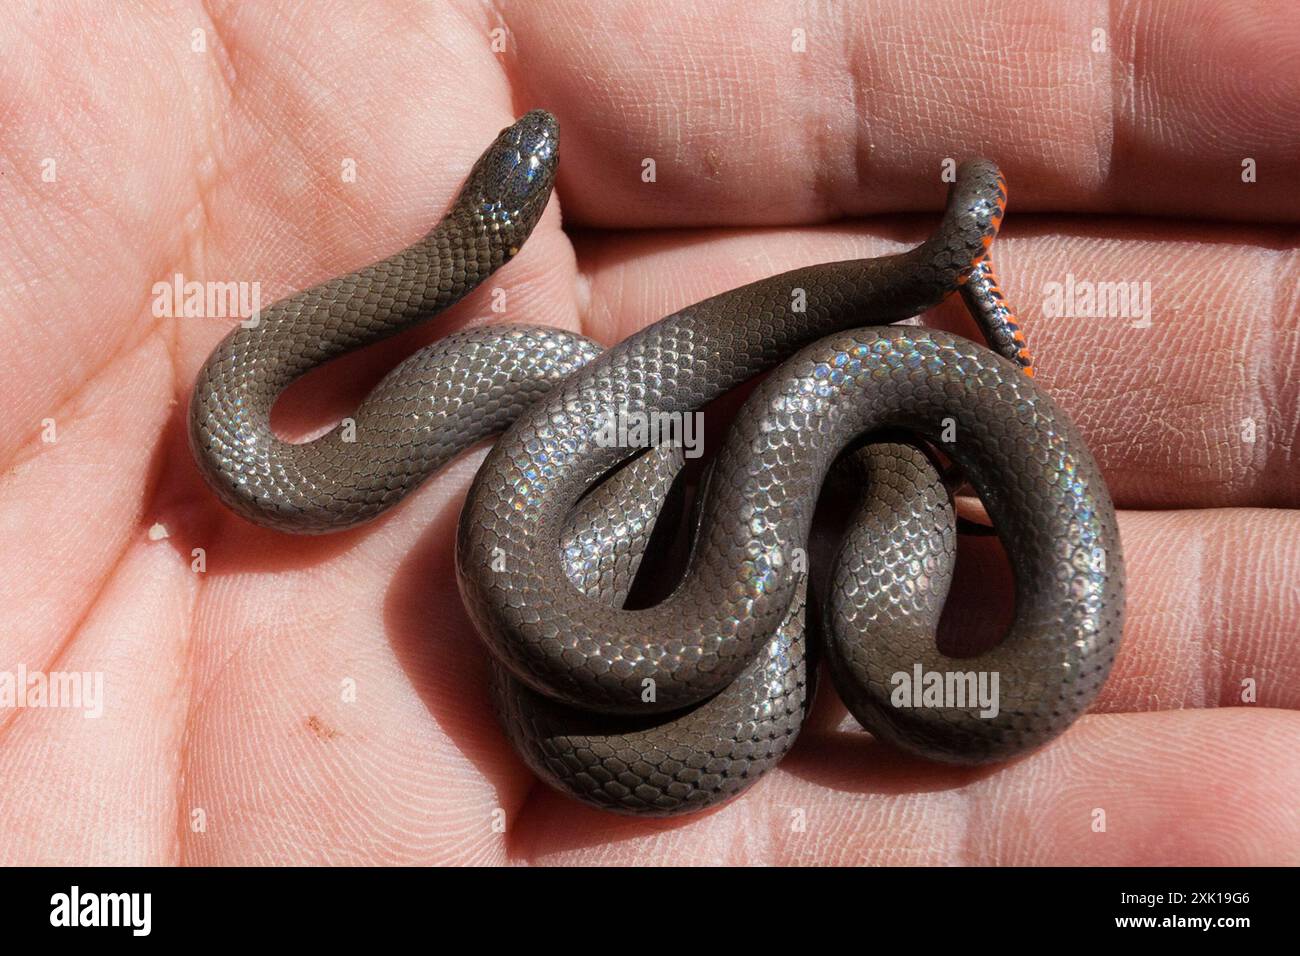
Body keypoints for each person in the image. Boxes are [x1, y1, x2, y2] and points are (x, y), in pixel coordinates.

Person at [0, 0, 1295, 865]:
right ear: (484, 233)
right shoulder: (344, 433)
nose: (535, 159)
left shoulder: (692, 449)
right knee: (718, 458)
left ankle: (896, 362)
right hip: (670, 514)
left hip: (732, 491)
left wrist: (915, 314)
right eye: (516, 185)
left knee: (798, 459)